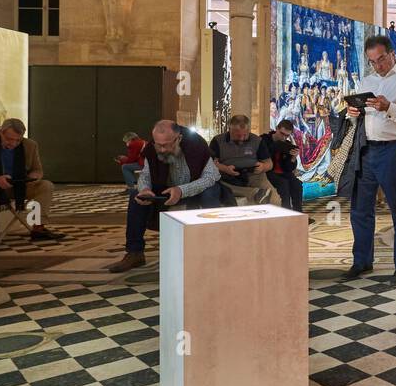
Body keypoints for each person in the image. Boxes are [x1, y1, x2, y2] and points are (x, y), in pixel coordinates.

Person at [331, 34, 396, 285]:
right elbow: (361, 118)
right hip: (365, 150)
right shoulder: (367, 80)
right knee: (360, 210)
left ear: (392, 53)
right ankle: (361, 261)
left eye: (381, 59)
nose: (378, 65)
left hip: (392, 151)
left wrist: (390, 108)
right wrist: (353, 114)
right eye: (372, 61)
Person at [107, 120, 221, 272]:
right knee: (136, 195)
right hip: (166, 189)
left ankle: (213, 250)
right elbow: (145, 175)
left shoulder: (196, 145)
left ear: (178, 138)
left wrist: (181, 190)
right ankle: (135, 252)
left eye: (166, 145)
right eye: (158, 144)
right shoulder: (152, 149)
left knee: (211, 192)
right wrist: (145, 189)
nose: (161, 149)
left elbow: (210, 177)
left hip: (195, 189)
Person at [0, 118, 61, 247]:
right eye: (10, 139)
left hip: (21, 185)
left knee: (46, 186)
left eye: (18, 140)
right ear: (1, 133)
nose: (14, 143)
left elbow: (37, 170)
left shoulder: (30, 145)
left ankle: (38, 227)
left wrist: (33, 177)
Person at [209, 114, 273, 204]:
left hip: (254, 176)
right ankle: (254, 193)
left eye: (245, 135)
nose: (242, 138)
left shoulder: (257, 141)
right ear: (230, 130)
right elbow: (210, 163)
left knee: (274, 199)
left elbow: (269, 164)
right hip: (227, 177)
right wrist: (224, 168)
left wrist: (263, 167)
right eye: (238, 135)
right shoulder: (218, 141)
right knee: (217, 183)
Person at [266, 119, 305, 212]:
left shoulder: (287, 145)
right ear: (276, 129)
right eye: (281, 134)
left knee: (297, 184)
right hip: (268, 171)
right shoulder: (265, 140)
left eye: (287, 135)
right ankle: (286, 213)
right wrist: (275, 147)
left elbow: (289, 168)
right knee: (283, 184)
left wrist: (293, 158)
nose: (283, 137)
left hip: (283, 172)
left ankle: (298, 213)